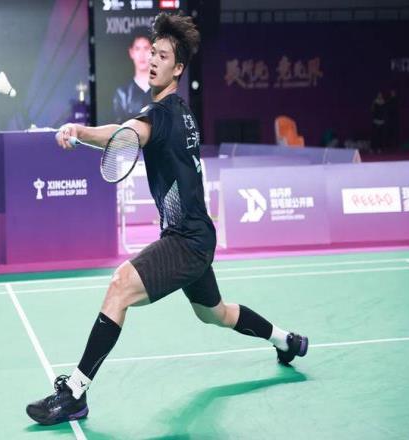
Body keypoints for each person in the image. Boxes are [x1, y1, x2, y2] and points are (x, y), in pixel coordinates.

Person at [26, 13, 309, 426]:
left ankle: (75, 392)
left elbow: (124, 135)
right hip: (197, 236)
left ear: (178, 68)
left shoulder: (159, 115)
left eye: (163, 56)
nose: (153, 61)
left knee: (120, 286)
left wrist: (79, 131)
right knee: (215, 313)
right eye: (152, 53)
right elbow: (131, 132)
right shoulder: (180, 112)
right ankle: (287, 341)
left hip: (186, 240)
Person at [112, 28, 152, 123]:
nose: (142, 55)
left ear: (153, 51)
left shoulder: (162, 91)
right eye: (137, 49)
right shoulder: (122, 94)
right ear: (131, 52)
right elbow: (119, 128)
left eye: (146, 48)